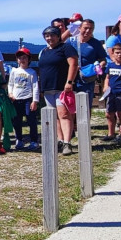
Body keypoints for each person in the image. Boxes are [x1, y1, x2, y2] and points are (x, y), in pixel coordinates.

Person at [38, 26, 79, 156]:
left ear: (58, 36)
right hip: (48, 89)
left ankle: (67, 142)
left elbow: (73, 64)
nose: (49, 38)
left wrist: (69, 82)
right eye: (47, 36)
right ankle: (60, 140)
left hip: (62, 87)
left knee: (64, 114)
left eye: (52, 35)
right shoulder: (44, 51)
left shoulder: (65, 48)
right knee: (54, 116)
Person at [7, 48, 40, 150]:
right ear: (17, 60)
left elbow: (35, 87)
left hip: (28, 99)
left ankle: (34, 141)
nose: (22, 60)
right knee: (17, 121)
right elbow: (11, 83)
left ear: (29, 59)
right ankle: (19, 139)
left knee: (31, 120)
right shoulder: (14, 71)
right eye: (20, 58)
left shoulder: (32, 72)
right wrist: (10, 93)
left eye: (24, 57)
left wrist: (35, 101)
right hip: (16, 99)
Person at [75, 19, 108, 110]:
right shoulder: (71, 42)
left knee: (86, 103)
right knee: (72, 103)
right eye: (85, 28)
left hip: (88, 77)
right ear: (79, 28)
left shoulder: (96, 43)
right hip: (72, 76)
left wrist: (98, 68)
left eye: (91, 29)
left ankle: (85, 124)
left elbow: (103, 60)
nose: (88, 31)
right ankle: (74, 124)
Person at [103, 44, 121, 143]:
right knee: (109, 113)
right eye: (117, 53)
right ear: (113, 53)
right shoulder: (110, 65)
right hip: (111, 93)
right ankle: (111, 133)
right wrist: (105, 86)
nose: (120, 55)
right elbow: (107, 77)